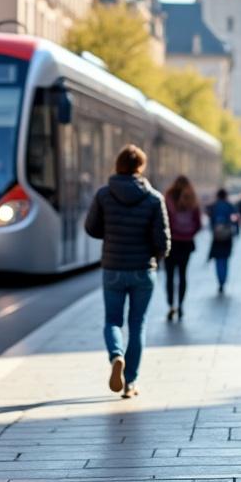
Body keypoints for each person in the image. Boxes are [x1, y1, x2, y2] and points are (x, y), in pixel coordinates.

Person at [84, 144, 169, 399]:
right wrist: (156, 256)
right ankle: (130, 382)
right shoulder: (154, 198)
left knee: (112, 321)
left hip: (112, 267)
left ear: (117, 165)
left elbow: (91, 228)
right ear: (140, 167)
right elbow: (163, 241)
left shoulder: (103, 195)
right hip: (143, 269)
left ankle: (115, 356)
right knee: (137, 324)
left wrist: (111, 234)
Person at [164, 175, 202, 322]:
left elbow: (163, 219)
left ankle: (170, 305)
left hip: (171, 242)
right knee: (183, 275)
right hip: (186, 243)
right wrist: (190, 233)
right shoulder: (192, 198)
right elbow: (198, 223)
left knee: (169, 276)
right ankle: (181, 305)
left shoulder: (168, 197)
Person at [207, 189, 237, 293]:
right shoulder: (230, 205)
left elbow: (210, 220)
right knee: (225, 258)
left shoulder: (214, 206)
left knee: (218, 259)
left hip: (216, 236)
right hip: (227, 235)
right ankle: (223, 280)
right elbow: (235, 218)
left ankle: (220, 281)